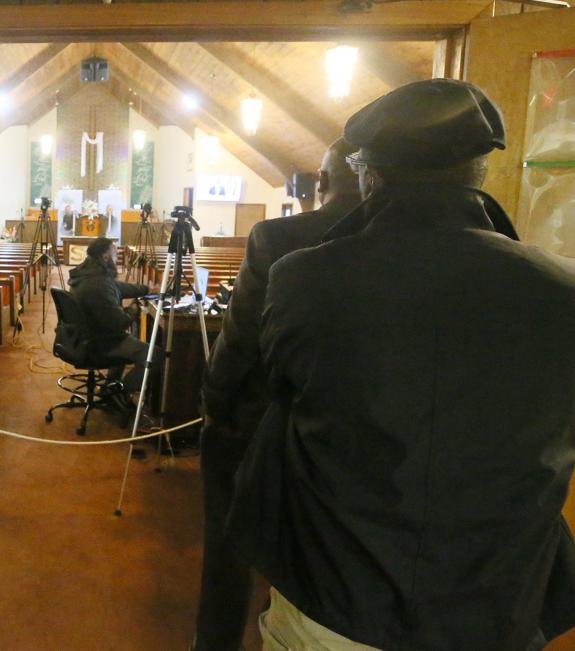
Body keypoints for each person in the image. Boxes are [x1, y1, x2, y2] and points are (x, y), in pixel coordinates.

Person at [228, 79, 575, 650]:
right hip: (496, 606)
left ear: (368, 173)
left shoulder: (305, 278)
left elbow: (269, 397)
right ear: (480, 172)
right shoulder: (561, 291)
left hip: (336, 594)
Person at [193, 138, 362, 651]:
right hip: (348, 430)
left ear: (323, 183)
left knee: (227, 542)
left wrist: (214, 407)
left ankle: (216, 640)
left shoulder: (279, 236)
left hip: (260, 418)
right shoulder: (408, 243)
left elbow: (240, 338)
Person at [67, 237, 156, 406]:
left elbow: (117, 287)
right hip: (100, 342)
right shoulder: (99, 283)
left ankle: (109, 388)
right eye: (115, 253)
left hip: (83, 337)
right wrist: (133, 308)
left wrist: (146, 290)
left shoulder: (88, 273)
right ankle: (118, 391)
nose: (117, 257)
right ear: (106, 257)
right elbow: (120, 322)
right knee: (155, 356)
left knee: (129, 341)